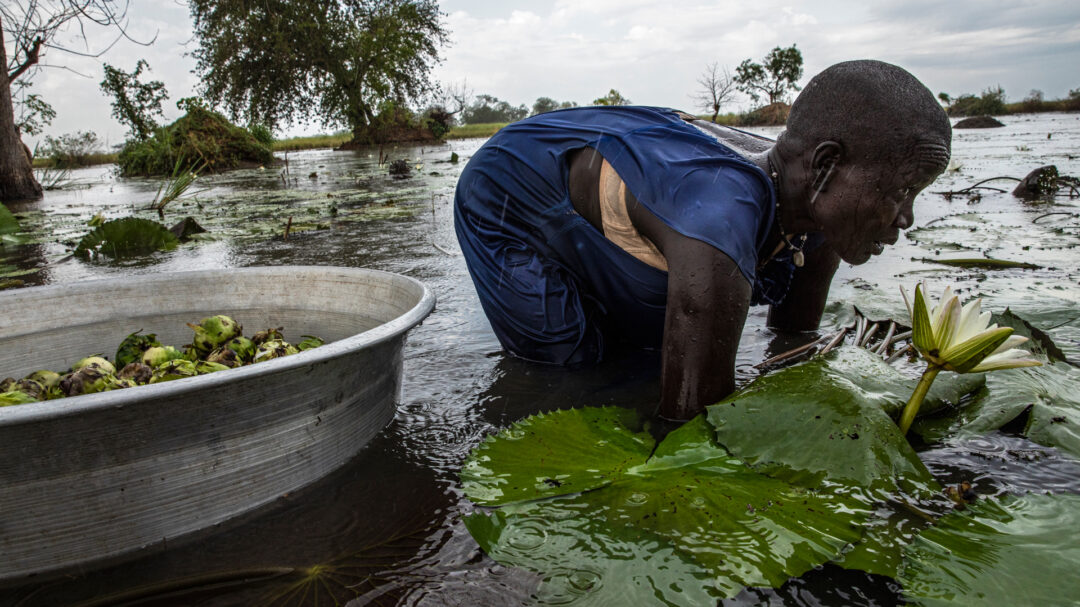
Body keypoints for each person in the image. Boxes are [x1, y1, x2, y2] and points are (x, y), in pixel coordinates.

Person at [453, 60, 952, 420]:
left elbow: (794, 342)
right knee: (576, 364)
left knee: (656, 344)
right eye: (901, 190)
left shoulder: (816, 220)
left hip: (638, 186)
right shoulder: (719, 216)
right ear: (824, 167)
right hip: (508, 189)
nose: (906, 217)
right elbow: (689, 418)